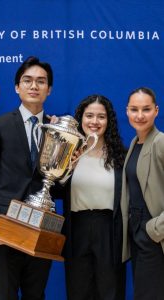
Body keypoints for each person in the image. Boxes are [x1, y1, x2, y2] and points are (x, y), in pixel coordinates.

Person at [0, 56, 58, 300]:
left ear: (49, 89)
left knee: (36, 294)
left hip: (41, 228)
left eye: (41, 82)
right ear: (17, 87)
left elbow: (58, 184)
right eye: (28, 80)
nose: (34, 86)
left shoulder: (57, 131)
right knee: (4, 295)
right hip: (4, 228)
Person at [62, 95, 126, 300]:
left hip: (110, 230)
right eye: (89, 115)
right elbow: (53, 189)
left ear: (109, 121)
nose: (94, 122)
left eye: (101, 116)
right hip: (77, 229)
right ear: (81, 118)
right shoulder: (68, 152)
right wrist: (65, 171)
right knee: (78, 290)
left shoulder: (120, 156)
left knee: (110, 290)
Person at [121, 87, 164, 299]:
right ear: (127, 111)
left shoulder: (161, 142)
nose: (139, 115)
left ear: (156, 111)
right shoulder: (134, 143)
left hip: (154, 234)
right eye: (134, 109)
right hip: (136, 233)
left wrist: (155, 229)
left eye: (146, 109)